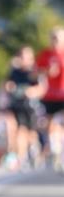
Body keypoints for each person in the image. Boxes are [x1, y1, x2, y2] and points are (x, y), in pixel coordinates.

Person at [2, 46, 42, 170]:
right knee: (18, 130)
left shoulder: (34, 73)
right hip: (16, 105)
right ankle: (20, 157)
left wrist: (31, 91)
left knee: (30, 134)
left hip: (30, 106)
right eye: (22, 57)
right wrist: (9, 86)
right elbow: (6, 85)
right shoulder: (14, 72)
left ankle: (34, 151)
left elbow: (41, 88)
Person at [36, 27, 64, 171]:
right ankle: (54, 150)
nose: (55, 41)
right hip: (50, 95)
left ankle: (59, 152)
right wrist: (47, 71)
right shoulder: (45, 55)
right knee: (50, 124)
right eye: (53, 38)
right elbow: (35, 72)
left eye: (58, 38)